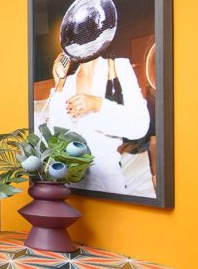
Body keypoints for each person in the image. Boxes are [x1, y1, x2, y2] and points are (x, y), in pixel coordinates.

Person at [35, 53, 149, 195]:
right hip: (71, 185)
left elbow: (139, 127)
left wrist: (99, 105)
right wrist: (59, 86)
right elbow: (58, 137)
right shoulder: (68, 82)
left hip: (106, 185)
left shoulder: (117, 68)